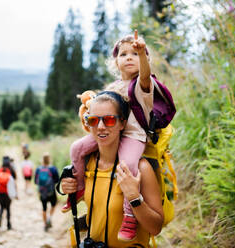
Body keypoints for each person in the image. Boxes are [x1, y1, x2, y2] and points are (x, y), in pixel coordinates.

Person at [64, 30, 155, 241]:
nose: (129, 57)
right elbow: (99, 109)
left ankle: (129, 215)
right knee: (77, 148)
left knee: (127, 165)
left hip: (133, 135)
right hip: (111, 130)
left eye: (135, 53)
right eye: (123, 54)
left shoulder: (142, 85)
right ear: (115, 62)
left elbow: (145, 76)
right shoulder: (112, 87)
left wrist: (142, 55)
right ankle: (78, 188)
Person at [61, 92, 163, 247]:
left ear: (122, 123)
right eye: (93, 120)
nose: (100, 127)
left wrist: (134, 198)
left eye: (109, 120)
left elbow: (156, 228)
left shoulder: (141, 168)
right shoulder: (87, 164)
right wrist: (67, 187)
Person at [34, 152, 60, 232]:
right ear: (49, 159)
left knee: (44, 208)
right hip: (51, 191)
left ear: (42, 160)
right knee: (54, 204)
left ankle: (45, 225)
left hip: (42, 192)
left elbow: (35, 181)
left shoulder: (38, 169)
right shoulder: (53, 169)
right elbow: (57, 180)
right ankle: (49, 217)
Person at [0, 156, 17, 230]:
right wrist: (15, 194)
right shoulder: (11, 171)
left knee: (2, 206)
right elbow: (14, 182)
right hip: (8, 193)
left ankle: (0, 217)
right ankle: (8, 224)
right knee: (8, 208)